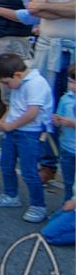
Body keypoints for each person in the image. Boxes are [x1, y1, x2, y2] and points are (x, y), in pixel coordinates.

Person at [27, 0, 76, 183]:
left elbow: (42, 7)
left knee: (72, 109)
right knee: (47, 108)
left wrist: (48, 7)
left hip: (73, 51)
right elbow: (34, 8)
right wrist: (64, 8)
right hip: (48, 51)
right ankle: (48, 162)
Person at [0, 53, 54, 223]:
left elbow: (32, 113)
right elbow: (15, 106)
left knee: (29, 171)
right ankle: (10, 195)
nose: (6, 86)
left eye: (6, 83)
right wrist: (4, 119)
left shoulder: (36, 84)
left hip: (30, 133)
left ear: (17, 75)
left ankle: (38, 206)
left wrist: (11, 125)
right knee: (7, 164)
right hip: (13, 130)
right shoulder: (19, 83)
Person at [52, 64, 75, 202]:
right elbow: (59, 118)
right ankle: (66, 209)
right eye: (71, 82)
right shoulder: (66, 98)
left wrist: (72, 123)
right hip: (67, 146)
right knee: (68, 181)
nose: (73, 86)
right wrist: (57, 120)